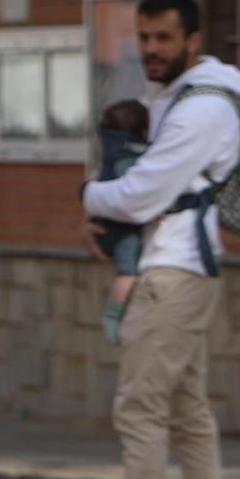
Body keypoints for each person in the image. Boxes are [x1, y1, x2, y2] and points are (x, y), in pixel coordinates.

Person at [54, 0, 240, 479]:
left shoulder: (200, 110)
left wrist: (90, 194)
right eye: (143, 38)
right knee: (188, 413)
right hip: (183, 269)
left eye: (164, 38)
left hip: (171, 276)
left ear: (192, 40)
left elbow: (142, 192)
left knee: (140, 408)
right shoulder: (181, 99)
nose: (151, 50)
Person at [94, 99, 149, 345]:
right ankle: (114, 315)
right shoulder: (127, 157)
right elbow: (134, 194)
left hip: (106, 225)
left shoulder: (110, 153)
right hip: (120, 229)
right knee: (127, 273)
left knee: (128, 272)